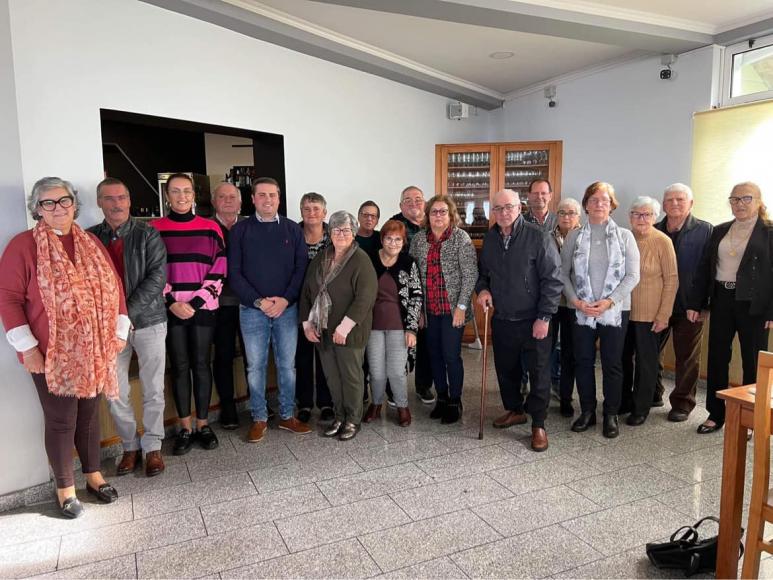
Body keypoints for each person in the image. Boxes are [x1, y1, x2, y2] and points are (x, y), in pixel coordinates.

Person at [0, 177, 129, 518]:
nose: (58, 208)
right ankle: (65, 488)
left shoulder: (90, 243)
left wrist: (119, 331)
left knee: (88, 418)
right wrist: (28, 349)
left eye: (64, 200)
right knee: (61, 419)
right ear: (37, 209)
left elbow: (114, 288)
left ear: (74, 203)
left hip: (94, 350)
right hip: (49, 353)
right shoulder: (23, 246)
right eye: (48, 203)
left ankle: (93, 475)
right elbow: (9, 300)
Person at [89, 178, 168, 477]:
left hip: (148, 322)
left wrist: (126, 315)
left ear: (130, 201)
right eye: (109, 198)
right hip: (107, 328)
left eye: (122, 197)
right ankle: (129, 447)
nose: (116, 203)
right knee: (115, 391)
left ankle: (152, 448)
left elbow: (157, 278)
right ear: (99, 202)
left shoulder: (148, 233)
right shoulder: (90, 239)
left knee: (153, 389)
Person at [476, 190, 562, 451]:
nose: (503, 213)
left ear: (519, 207)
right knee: (506, 369)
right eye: (498, 208)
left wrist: (544, 317)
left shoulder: (538, 236)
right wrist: (483, 290)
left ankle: (538, 423)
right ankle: (515, 409)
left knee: (538, 372)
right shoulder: (490, 238)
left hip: (533, 319)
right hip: (502, 318)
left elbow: (553, 279)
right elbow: (483, 274)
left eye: (509, 207)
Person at [229, 177, 310, 443]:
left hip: (287, 309)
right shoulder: (240, 231)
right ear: (253, 199)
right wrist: (260, 302)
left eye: (272, 195)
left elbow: (301, 269)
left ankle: (287, 415)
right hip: (252, 310)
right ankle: (259, 418)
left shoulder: (292, 230)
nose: (267, 200)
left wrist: (285, 300)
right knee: (256, 367)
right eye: (261, 195)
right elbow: (235, 274)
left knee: (288, 366)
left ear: (279, 198)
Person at [687, 182, 773, 434]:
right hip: (722, 299)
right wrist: (696, 303)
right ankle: (716, 413)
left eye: (746, 198)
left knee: (753, 360)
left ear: (758, 201)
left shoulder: (769, 232)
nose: (739, 204)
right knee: (717, 357)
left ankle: (749, 417)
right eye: (734, 199)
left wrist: (772, 311)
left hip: (754, 304)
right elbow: (706, 267)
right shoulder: (721, 230)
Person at [152, 173, 226, 455]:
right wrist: (171, 300)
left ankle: (203, 425)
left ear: (194, 195)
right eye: (175, 191)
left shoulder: (210, 228)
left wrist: (194, 303)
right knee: (180, 367)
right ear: (167, 195)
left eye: (186, 191)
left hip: (203, 308)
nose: (181, 196)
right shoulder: (155, 229)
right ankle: (184, 427)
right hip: (169, 309)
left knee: (201, 365)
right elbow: (152, 273)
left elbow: (219, 270)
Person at [560, 182, 640, 438]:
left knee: (612, 364)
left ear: (612, 205)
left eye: (604, 200)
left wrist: (609, 301)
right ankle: (587, 411)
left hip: (614, 311)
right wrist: (575, 301)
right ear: (586, 204)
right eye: (593, 199)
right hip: (581, 310)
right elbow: (562, 273)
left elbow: (632, 276)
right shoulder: (574, 235)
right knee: (582, 361)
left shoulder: (625, 236)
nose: (598, 204)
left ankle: (611, 415)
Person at [300, 211, 377, 440]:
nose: (340, 234)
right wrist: (307, 324)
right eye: (335, 229)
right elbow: (306, 292)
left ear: (353, 233)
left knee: (351, 376)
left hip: (349, 331)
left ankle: (353, 420)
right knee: (332, 377)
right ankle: (340, 416)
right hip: (323, 329)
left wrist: (345, 327)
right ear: (329, 233)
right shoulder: (321, 258)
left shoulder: (361, 259)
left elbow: (365, 297)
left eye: (345, 230)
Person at [410, 194, 478, 424]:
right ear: (427, 216)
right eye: (433, 212)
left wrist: (461, 306)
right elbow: (413, 277)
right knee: (434, 355)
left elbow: (470, 275)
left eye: (442, 211)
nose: (438, 215)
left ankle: (454, 400)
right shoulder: (419, 240)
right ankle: (441, 397)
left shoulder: (461, 238)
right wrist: (417, 310)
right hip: (428, 310)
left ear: (450, 215)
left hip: (452, 310)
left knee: (450, 355)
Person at [654, 183, 713, 422]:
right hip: (658, 304)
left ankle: (682, 403)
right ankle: (653, 393)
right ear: (663, 203)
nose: (674, 204)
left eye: (680, 199)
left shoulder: (705, 230)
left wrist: (702, 306)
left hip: (690, 305)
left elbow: (709, 271)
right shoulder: (655, 228)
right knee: (650, 352)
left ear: (691, 203)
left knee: (687, 357)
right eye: (669, 200)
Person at [620, 196, 678, 426]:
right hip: (623, 312)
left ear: (655, 217)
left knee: (646, 363)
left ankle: (641, 407)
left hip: (650, 315)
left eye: (646, 214)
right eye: (636, 214)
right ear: (630, 217)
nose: (641, 219)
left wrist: (664, 314)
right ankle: (623, 400)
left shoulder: (663, 241)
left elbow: (672, 280)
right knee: (621, 359)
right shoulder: (624, 238)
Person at [363, 220, 423, 427]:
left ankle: (402, 406)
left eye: (398, 239)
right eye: (389, 238)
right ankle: (376, 404)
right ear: (382, 239)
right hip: (372, 326)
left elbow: (416, 296)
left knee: (396, 371)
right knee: (376, 371)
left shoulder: (409, 262)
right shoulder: (369, 260)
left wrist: (412, 329)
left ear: (403, 241)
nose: (393, 243)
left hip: (400, 326)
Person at [389, 186, 435, 405]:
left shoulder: (434, 224)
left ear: (424, 203)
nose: (413, 203)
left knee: (426, 345)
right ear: (400, 206)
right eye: (407, 200)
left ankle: (423, 385)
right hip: (401, 296)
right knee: (398, 344)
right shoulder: (395, 225)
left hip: (432, 295)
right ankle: (392, 390)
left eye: (418, 199)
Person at [210, 182, 247, 430]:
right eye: (222, 197)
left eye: (232, 197)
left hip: (248, 302)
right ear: (214, 202)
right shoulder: (206, 228)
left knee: (253, 356)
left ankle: (259, 404)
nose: (228, 200)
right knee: (222, 355)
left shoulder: (249, 225)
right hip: (218, 304)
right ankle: (228, 406)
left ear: (241, 202)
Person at [296, 192, 334, 423]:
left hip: (327, 304)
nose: (312, 213)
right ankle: (305, 403)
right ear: (301, 211)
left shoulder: (334, 236)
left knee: (324, 354)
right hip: (299, 303)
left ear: (324, 212)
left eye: (316, 209)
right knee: (301, 355)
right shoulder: (292, 234)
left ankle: (326, 402)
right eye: (307, 209)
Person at [551, 197, 582, 416]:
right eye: (562, 213)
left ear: (579, 216)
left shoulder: (586, 237)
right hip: (551, 302)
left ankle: (565, 397)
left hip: (574, 303)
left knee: (570, 352)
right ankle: (541, 395)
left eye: (571, 213)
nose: (566, 217)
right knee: (545, 350)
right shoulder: (547, 236)